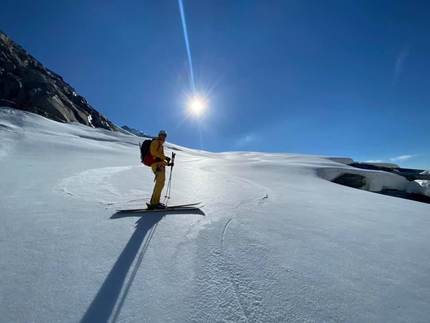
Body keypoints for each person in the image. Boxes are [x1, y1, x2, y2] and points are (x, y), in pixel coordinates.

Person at [147, 130, 172, 209]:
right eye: (162, 135)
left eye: (165, 135)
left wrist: (168, 164)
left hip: (159, 165)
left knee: (159, 183)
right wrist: (165, 157)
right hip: (157, 166)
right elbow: (153, 152)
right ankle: (155, 203)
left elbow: (160, 158)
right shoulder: (156, 142)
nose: (163, 136)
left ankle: (154, 202)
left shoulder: (160, 145)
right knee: (160, 183)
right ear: (159, 135)